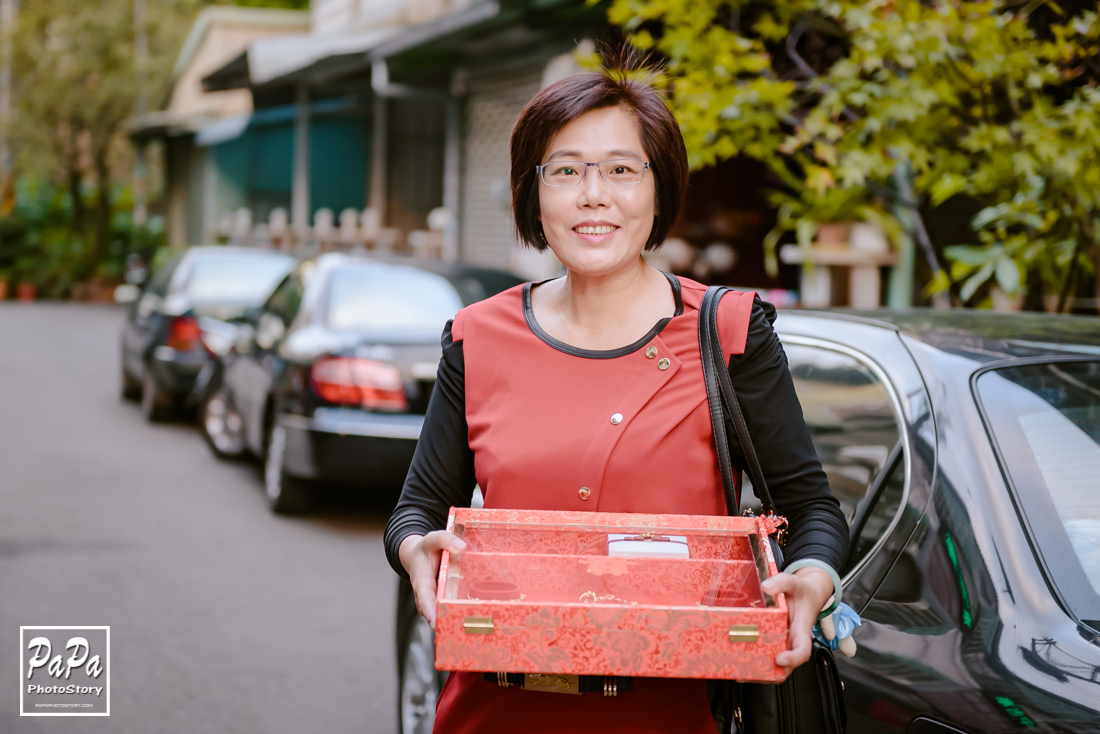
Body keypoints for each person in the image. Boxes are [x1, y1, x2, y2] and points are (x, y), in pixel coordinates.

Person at [384, 49, 849, 733]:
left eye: (622, 170)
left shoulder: (727, 333)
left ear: (659, 189)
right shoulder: (476, 336)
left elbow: (811, 509)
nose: (592, 194)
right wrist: (413, 550)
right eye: (565, 171)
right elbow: (417, 508)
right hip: (494, 711)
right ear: (532, 193)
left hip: (673, 715)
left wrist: (811, 579)